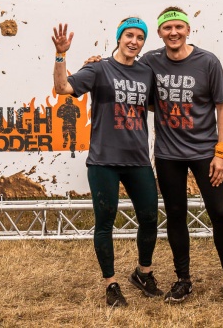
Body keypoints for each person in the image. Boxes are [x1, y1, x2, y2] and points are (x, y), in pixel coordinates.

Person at [141, 6, 223, 303]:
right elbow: (125, 74)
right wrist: (99, 63)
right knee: (176, 215)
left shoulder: (207, 62)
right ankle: (183, 280)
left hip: (206, 152)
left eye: (178, 27)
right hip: (168, 154)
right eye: (167, 28)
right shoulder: (150, 61)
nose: (174, 32)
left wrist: (221, 152)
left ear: (188, 30)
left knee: (219, 213)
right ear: (160, 33)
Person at [52, 18, 162, 308]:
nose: (134, 41)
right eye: (129, 35)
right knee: (105, 222)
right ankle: (110, 284)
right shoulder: (99, 68)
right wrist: (61, 54)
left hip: (138, 159)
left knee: (150, 217)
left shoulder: (146, 72)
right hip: (104, 161)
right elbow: (62, 87)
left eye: (140, 37)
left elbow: (155, 105)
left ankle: (143, 273)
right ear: (119, 38)